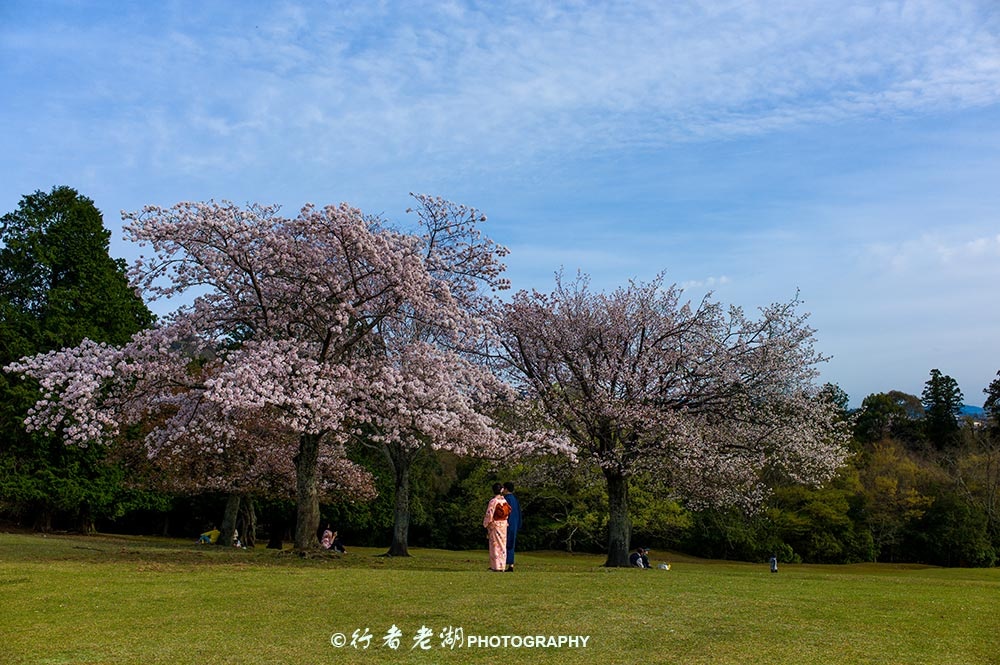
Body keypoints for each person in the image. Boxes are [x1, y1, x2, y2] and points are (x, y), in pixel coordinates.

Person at [482, 483, 510, 572]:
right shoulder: (504, 501)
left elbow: (490, 513)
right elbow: (507, 512)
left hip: (495, 525)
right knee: (502, 545)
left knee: (495, 546)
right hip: (503, 524)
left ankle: (496, 566)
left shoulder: (493, 501)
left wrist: (486, 524)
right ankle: (502, 566)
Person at [501, 482, 521, 572]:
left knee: (504, 544)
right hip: (515, 524)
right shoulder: (515, 500)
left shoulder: (505, 500)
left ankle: (502, 564)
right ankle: (511, 564)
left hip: (507, 524)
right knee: (511, 544)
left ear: (506, 489)